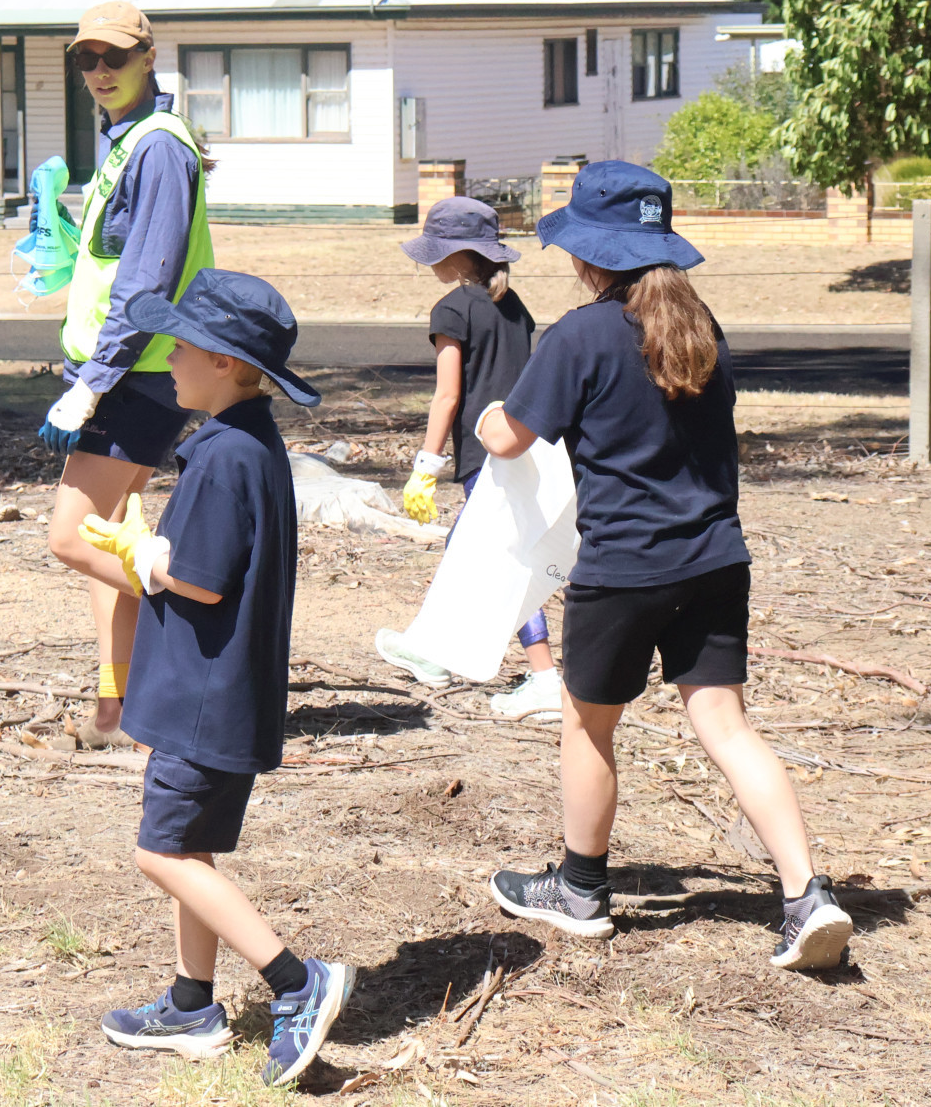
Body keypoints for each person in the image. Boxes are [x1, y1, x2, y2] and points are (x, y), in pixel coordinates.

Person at [475, 161, 852, 971]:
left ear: (587, 256)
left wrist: (481, 423)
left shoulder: (577, 334)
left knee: (589, 722)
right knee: (726, 723)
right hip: (717, 559)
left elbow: (510, 435)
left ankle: (579, 888)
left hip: (626, 569)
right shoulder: (701, 326)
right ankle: (806, 893)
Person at [78, 269, 354, 1087]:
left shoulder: (225, 455)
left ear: (230, 365)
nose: (168, 359)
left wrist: (140, 552)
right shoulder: (248, 440)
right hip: (222, 694)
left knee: (162, 853)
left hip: (203, 701)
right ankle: (192, 1001)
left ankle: (297, 982)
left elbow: (198, 576)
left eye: (184, 347)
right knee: (189, 845)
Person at [39, 1, 215, 748]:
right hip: (119, 372)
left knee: (71, 539)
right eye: (87, 60)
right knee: (108, 544)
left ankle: (207, 619)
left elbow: (147, 279)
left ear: (150, 57)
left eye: (114, 56)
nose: (100, 71)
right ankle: (120, 715)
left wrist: (90, 384)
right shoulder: (125, 141)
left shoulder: (158, 148)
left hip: (136, 375)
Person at [377, 197, 561, 719]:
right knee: (472, 554)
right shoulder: (514, 307)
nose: (427, 262)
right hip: (521, 445)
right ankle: (433, 650)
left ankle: (544, 675)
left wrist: (424, 468)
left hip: (484, 453)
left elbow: (447, 397)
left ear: (457, 255)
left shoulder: (453, 310)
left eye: (434, 252)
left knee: (502, 558)